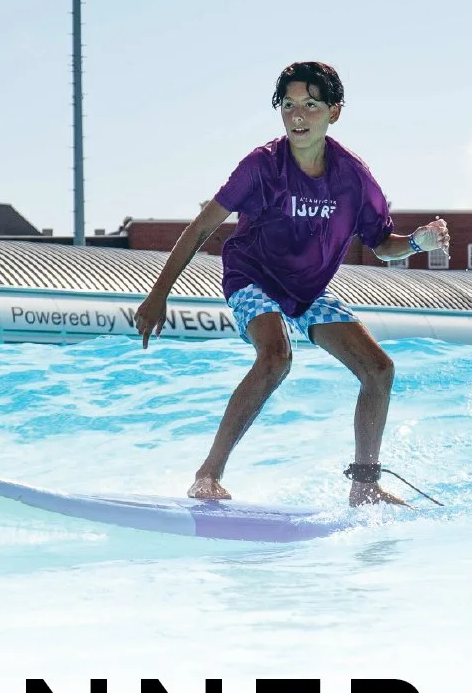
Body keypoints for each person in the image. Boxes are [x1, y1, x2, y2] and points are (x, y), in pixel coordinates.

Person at [132, 62, 450, 506]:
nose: (298, 116)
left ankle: (364, 486)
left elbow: (381, 244)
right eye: (289, 106)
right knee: (276, 355)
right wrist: (158, 293)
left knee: (379, 370)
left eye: (311, 106)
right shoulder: (261, 167)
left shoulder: (353, 179)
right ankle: (208, 475)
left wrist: (418, 241)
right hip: (252, 275)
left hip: (306, 290)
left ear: (334, 112)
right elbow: (203, 227)